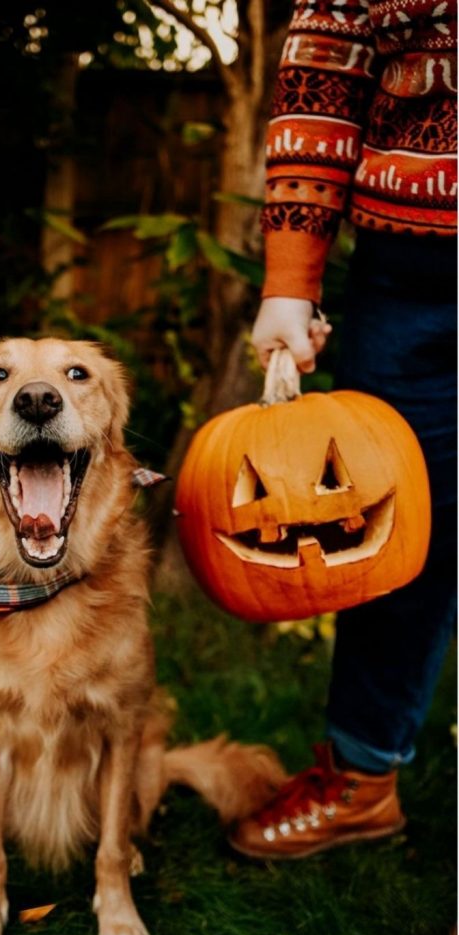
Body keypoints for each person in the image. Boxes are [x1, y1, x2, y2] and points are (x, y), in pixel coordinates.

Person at [228, 0, 457, 859]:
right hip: (406, 285)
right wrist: (289, 279)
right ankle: (362, 781)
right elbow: (320, 81)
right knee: (386, 539)